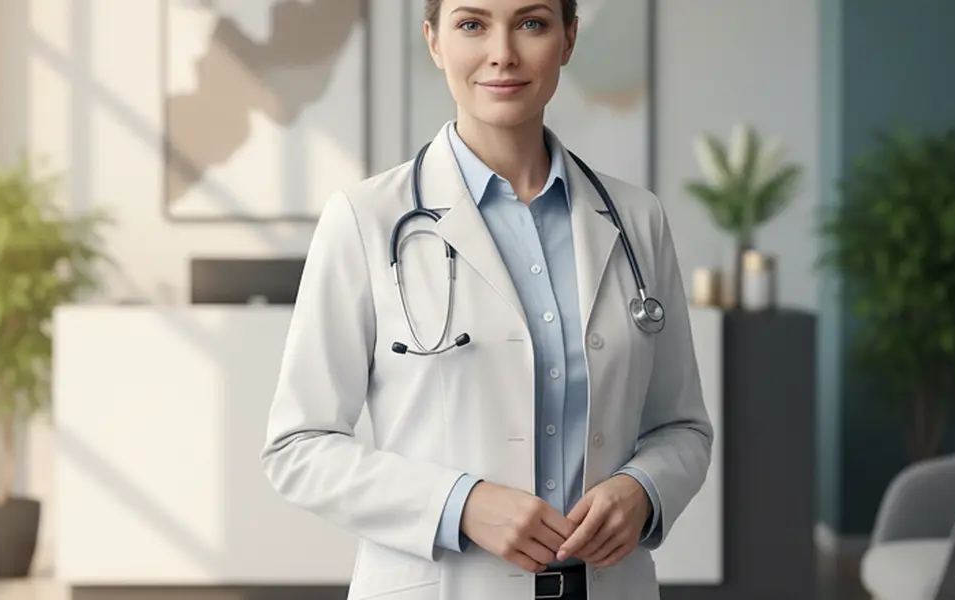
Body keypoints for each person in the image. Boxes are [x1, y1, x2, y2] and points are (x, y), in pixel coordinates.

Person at [260, 0, 713, 598]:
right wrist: (459, 505)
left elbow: (682, 427)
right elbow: (298, 447)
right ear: (434, 41)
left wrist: (643, 490)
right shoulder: (364, 220)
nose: (502, 52)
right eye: (472, 24)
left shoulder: (636, 219)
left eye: (532, 23)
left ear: (569, 38)